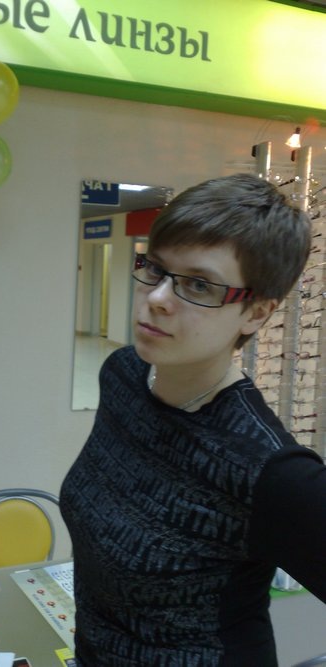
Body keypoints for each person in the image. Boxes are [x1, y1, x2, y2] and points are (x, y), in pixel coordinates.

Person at [59, 173, 326, 667]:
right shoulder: (123, 374)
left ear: (257, 313)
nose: (158, 297)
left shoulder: (269, 470)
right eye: (157, 268)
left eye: (198, 284)